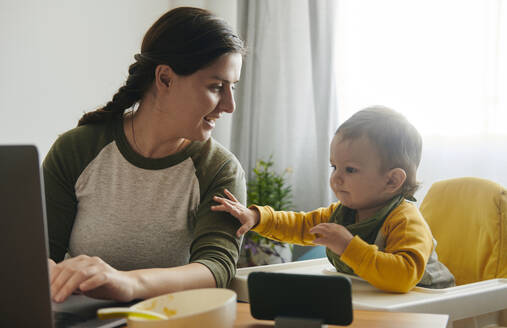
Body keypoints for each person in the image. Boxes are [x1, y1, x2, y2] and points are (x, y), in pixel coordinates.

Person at [43, 7, 247, 303]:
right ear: (165, 79)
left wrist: (127, 283)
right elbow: (38, 254)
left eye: (233, 88)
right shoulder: (76, 150)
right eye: (216, 87)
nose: (229, 106)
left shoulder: (219, 169)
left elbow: (216, 267)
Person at [212, 106, 455, 293]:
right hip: (378, 300)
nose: (336, 178)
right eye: (334, 166)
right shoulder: (343, 213)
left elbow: (403, 276)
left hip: (429, 303)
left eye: (350, 170)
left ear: (392, 181)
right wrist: (257, 217)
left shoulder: (405, 220)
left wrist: (349, 247)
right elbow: (301, 225)